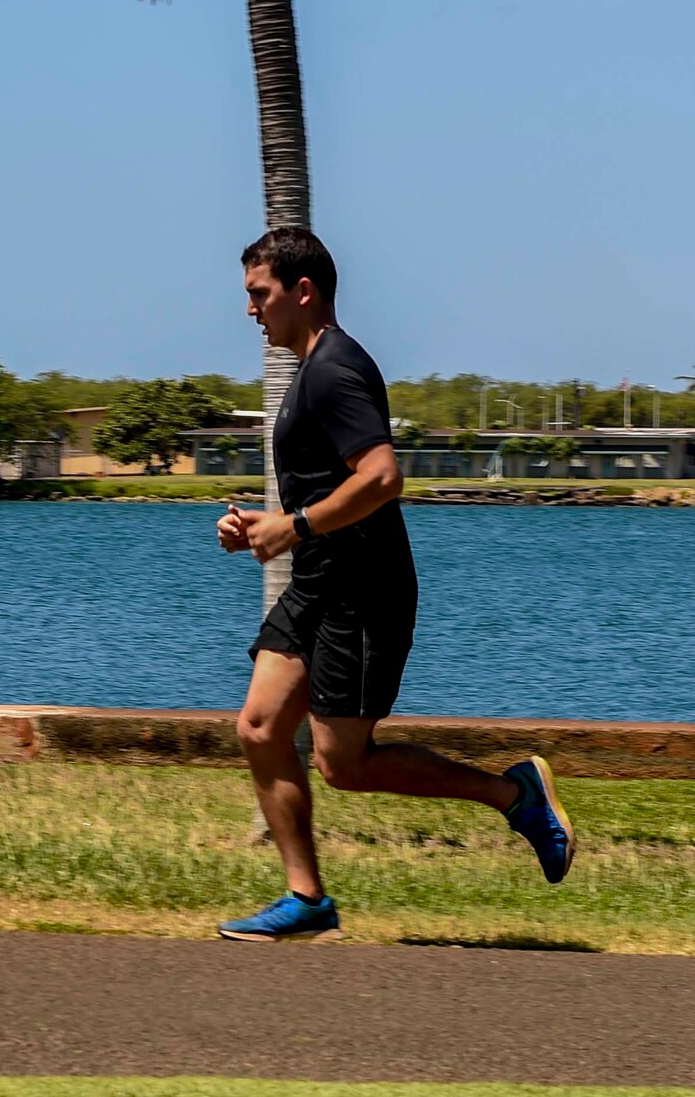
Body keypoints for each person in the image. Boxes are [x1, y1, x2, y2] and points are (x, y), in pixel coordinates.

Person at [215, 227, 574, 941]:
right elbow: (331, 485)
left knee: (343, 764)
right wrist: (271, 524)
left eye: (260, 294)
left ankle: (515, 793)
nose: (250, 310)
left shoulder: (333, 368)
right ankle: (307, 899)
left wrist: (299, 528)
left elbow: (382, 478)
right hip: (319, 583)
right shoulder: (307, 372)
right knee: (258, 728)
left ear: (303, 290)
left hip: (363, 591)